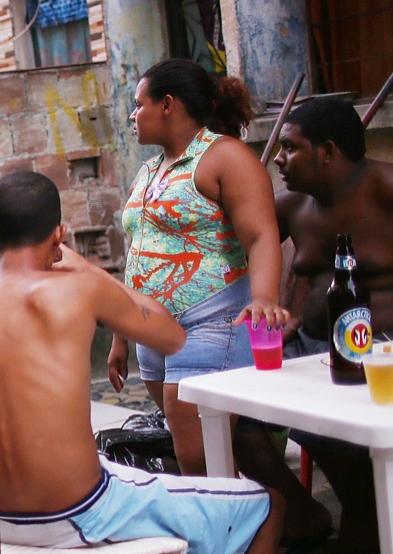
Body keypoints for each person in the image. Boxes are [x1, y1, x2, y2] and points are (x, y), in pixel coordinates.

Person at [0, 170, 298, 554]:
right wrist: (90, 269)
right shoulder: (80, 286)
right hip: (75, 515)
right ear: (59, 235)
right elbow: (172, 335)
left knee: (95, 466)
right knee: (267, 507)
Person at [231, 97, 393, 554]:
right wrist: (284, 308)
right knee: (235, 421)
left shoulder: (385, 188)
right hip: (314, 351)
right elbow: (236, 251)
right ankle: (302, 514)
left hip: (382, 356)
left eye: (290, 147)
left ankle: (363, 518)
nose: (279, 158)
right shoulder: (290, 206)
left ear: (327, 151)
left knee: (328, 427)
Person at [108, 58, 290, 478]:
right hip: (152, 331)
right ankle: (282, 509)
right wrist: (120, 333)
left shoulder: (224, 156)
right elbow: (139, 250)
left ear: (167, 104)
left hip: (211, 323)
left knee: (198, 460)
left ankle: (260, 515)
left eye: (138, 104)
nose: (133, 115)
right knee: (210, 452)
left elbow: (262, 235)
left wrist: (264, 299)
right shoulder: (150, 169)